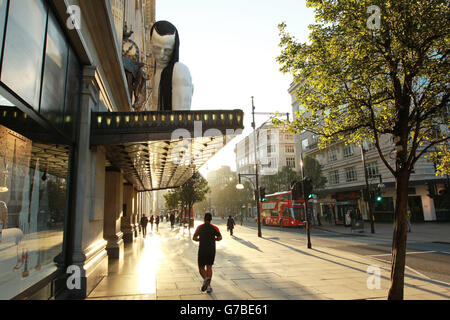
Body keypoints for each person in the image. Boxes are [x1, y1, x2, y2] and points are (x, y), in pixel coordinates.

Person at [149, 21, 193, 111]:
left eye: (167, 50)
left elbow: (181, 115)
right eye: (157, 48)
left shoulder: (179, 71)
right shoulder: (150, 72)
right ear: (150, 43)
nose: (161, 55)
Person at [193, 213, 222, 293]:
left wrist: (200, 239)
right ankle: (208, 287)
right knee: (209, 267)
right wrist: (214, 239)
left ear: (204, 219)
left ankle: (206, 279)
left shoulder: (200, 227)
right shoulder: (214, 228)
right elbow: (220, 237)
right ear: (211, 219)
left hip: (202, 249)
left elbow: (194, 238)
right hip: (211, 250)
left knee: (201, 268)